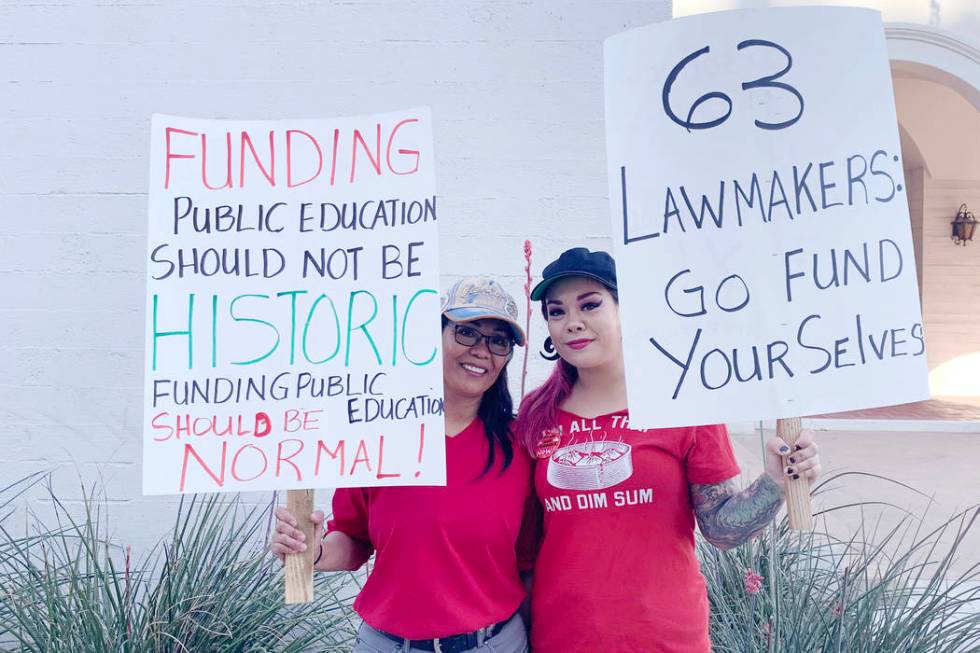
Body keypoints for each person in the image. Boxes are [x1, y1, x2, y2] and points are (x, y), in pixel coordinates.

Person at [515, 247, 822, 653]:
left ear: (628, 312)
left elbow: (721, 529)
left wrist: (776, 483)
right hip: (565, 637)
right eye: (557, 312)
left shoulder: (681, 403)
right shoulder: (537, 411)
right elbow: (526, 545)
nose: (572, 323)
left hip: (664, 637)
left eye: (590, 305)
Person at [270, 276, 534, 653]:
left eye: (498, 340)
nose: (481, 350)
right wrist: (312, 552)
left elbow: (527, 565)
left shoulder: (518, 446)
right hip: (388, 646)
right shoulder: (382, 435)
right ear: (436, 335)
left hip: (494, 643)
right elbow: (354, 539)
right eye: (466, 332)